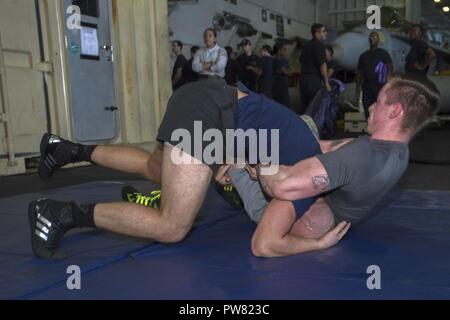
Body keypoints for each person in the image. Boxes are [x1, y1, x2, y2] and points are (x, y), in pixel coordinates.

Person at [29, 79, 349, 260]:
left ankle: (67, 150)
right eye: (297, 227)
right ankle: (58, 214)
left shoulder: (305, 160)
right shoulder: (302, 194)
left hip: (206, 102)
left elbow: (260, 131)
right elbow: (264, 244)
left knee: (155, 167)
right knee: (173, 226)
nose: (285, 222)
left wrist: (235, 159)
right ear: (308, 213)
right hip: (208, 115)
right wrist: (316, 245)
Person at [252, 74, 440, 257]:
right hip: (326, 215)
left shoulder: (362, 154)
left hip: (292, 217)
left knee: (243, 154)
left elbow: (278, 191)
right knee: (305, 124)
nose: (372, 106)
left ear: (395, 111)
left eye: (379, 101)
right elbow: (331, 147)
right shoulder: (400, 152)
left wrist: (258, 155)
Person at [356, 32, 393, 119]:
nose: (372, 38)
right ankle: (370, 131)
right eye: (370, 37)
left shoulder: (384, 53)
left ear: (378, 40)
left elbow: (390, 68)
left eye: (374, 37)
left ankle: (380, 130)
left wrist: (389, 84)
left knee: (380, 108)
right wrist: (358, 87)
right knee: (367, 108)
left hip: (380, 86)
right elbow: (359, 72)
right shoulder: (363, 55)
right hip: (367, 86)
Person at [299, 24, 330, 113]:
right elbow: (322, 65)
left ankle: (304, 126)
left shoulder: (307, 45)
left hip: (303, 79)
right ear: (317, 33)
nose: (326, 33)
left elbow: (301, 60)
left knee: (305, 107)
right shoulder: (319, 46)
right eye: (323, 31)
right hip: (313, 81)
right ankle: (313, 126)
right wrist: (326, 83)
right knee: (315, 108)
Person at [272, 42, 292, 109]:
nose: (286, 51)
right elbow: (286, 72)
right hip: (276, 89)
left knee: (286, 107)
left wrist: (285, 71)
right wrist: (286, 71)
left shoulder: (285, 61)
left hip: (284, 88)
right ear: (279, 50)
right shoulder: (275, 60)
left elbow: (291, 71)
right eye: (284, 49)